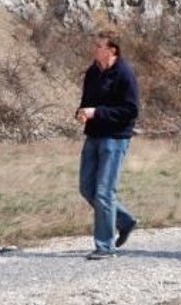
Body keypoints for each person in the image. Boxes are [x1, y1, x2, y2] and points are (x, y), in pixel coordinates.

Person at [76, 30, 140, 260]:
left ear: (112, 49)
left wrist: (98, 112)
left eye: (99, 46)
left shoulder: (124, 73)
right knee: (87, 188)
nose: (95, 49)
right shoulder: (93, 72)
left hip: (115, 138)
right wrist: (82, 113)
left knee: (104, 191)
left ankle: (105, 247)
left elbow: (131, 110)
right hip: (93, 135)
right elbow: (86, 102)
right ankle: (125, 220)